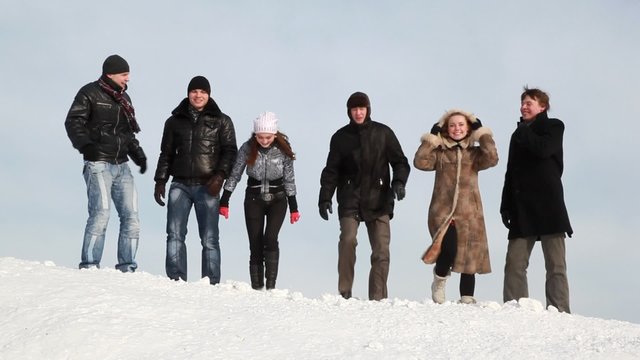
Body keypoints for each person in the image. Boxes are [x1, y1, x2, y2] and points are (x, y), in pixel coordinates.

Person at [318, 91, 410, 300]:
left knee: (381, 250)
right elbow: (331, 170)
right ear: (349, 111)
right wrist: (325, 197)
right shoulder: (340, 138)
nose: (358, 113)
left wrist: (398, 182)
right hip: (350, 197)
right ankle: (345, 292)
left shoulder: (383, 133)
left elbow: (400, 162)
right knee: (348, 240)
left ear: (368, 110)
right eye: (354, 109)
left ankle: (377, 297)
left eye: (362, 108)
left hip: (379, 199)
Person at [65, 54, 147, 272]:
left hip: (122, 165)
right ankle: (90, 265)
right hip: (98, 163)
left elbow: (127, 133)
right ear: (110, 74)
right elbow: (73, 121)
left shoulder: (124, 100)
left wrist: (138, 154)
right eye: (124, 74)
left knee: (132, 217)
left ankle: (127, 267)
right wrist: (86, 145)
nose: (128, 78)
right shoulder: (89, 93)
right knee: (100, 213)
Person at [153, 76, 237, 285]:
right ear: (188, 93)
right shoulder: (174, 121)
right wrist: (160, 180)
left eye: (203, 92)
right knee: (174, 234)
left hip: (208, 186)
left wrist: (220, 176)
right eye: (194, 91)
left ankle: (210, 283)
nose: (198, 95)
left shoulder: (222, 120)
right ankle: (175, 279)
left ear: (209, 94)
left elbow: (230, 152)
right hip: (179, 184)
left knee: (209, 239)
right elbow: (166, 153)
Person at [414, 109, 498, 304]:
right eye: (452, 125)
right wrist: (431, 138)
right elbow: (420, 162)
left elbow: (492, 158)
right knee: (449, 249)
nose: (456, 128)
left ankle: (467, 297)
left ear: (469, 128)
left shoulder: (475, 154)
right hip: (443, 212)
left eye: (461, 124)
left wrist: (482, 134)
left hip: (470, 212)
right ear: (446, 129)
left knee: (469, 253)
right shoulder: (440, 153)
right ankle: (440, 280)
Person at [501, 87, 573, 313]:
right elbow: (510, 172)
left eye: (529, 102)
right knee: (514, 263)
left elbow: (543, 150)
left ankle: (559, 309)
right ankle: (516, 306)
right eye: (522, 102)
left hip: (549, 204)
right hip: (522, 206)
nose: (523, 106)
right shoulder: (517, 134)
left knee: (556, 265)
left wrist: (524, 131)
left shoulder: (554, 126)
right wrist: (505, 205)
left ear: (542, 107)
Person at [219, 111, 300, 290]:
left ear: (274, 134)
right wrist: (225, 200)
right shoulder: (247, 148)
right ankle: (257, 287)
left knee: (270, 238)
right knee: (255, 242)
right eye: (260, 137)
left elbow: (289, 179)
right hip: (254, 199)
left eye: (268, 137)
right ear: (255, 135)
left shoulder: (283, 149)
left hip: (278, 199)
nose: (264, 141)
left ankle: (271, 286)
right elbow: (235, 175)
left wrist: (294, 207)